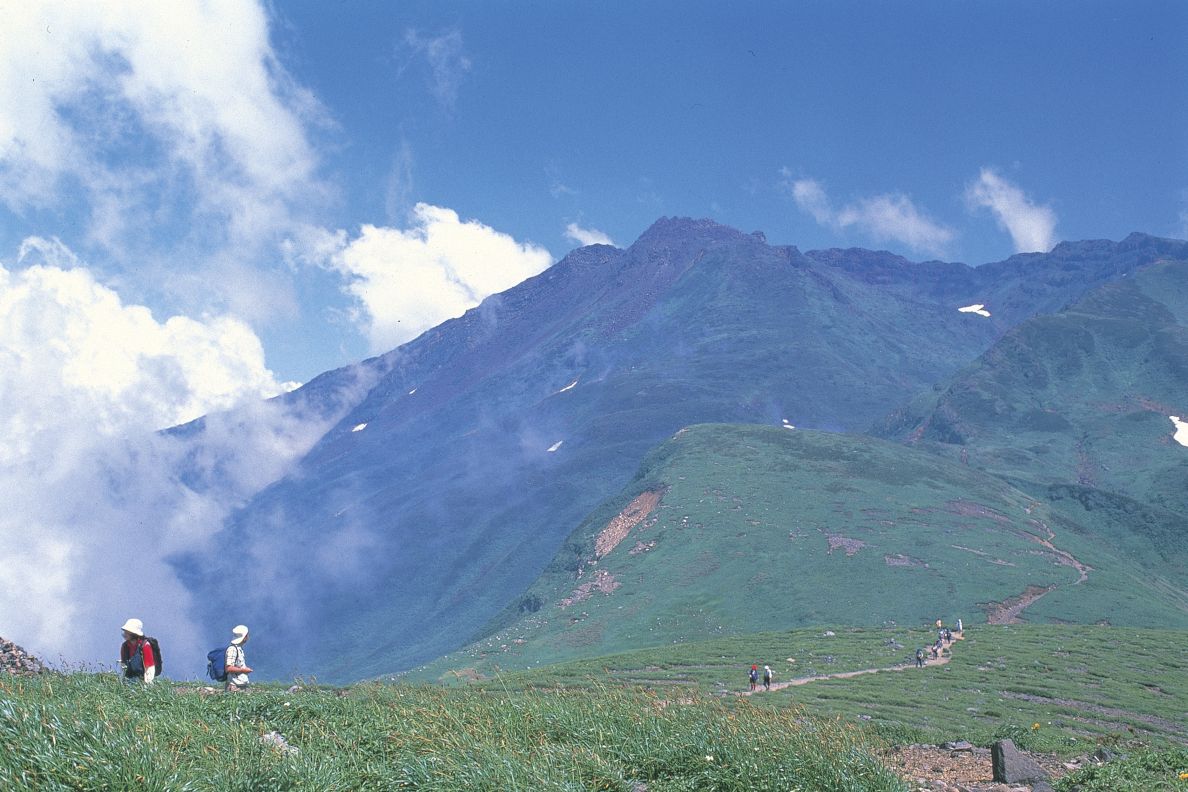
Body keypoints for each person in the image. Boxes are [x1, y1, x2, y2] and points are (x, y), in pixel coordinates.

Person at [119, 618, 156, 684]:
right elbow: (123, 666)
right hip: (128, 680)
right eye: (125, 631)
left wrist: (147, 685)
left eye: (128, 631)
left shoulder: (145, 646)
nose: (125, 633)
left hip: (142, 681)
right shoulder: (124, 646)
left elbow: (149, 668)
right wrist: (121, 683)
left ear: (134, 633)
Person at [223, 624, 252, 692]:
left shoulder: (239, 648)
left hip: (240, 686)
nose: (248, 636)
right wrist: (243, 670)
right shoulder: (232, 649)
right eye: (247, 635)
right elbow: (228, 668)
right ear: (244, 637)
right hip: (234, 687)